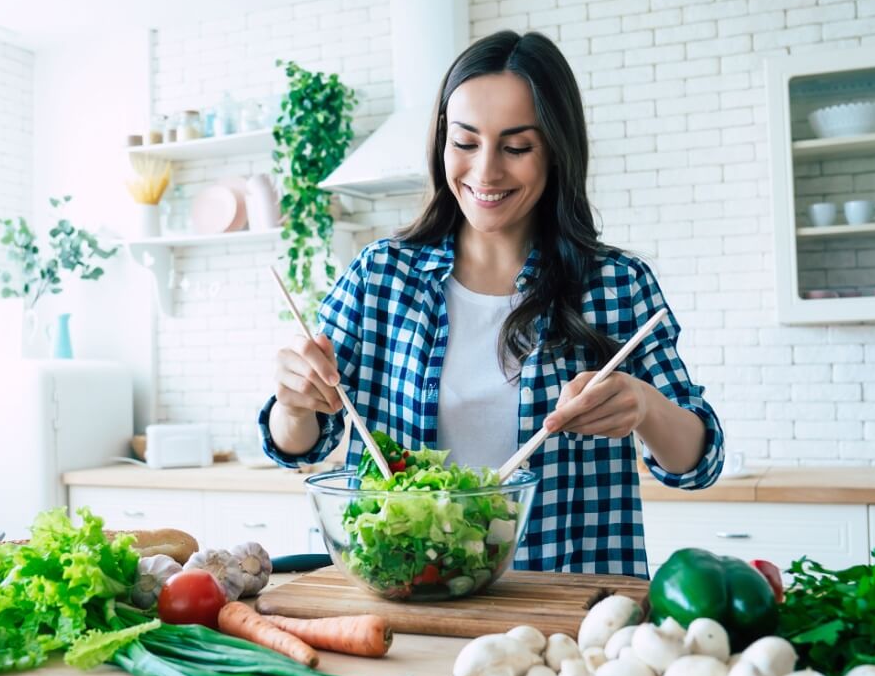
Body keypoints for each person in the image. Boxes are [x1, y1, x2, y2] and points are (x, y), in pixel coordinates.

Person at [258, 31, 724, 579]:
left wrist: (645, 407)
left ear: (556, 150)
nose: (485, 172)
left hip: (565, 605)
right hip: (406, 601)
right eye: (466, 143)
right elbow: (301, 448)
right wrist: (293, 403)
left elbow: (699, 463)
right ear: (442, 144)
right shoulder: (379, 276)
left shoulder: (617, 285)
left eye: (517, 147)